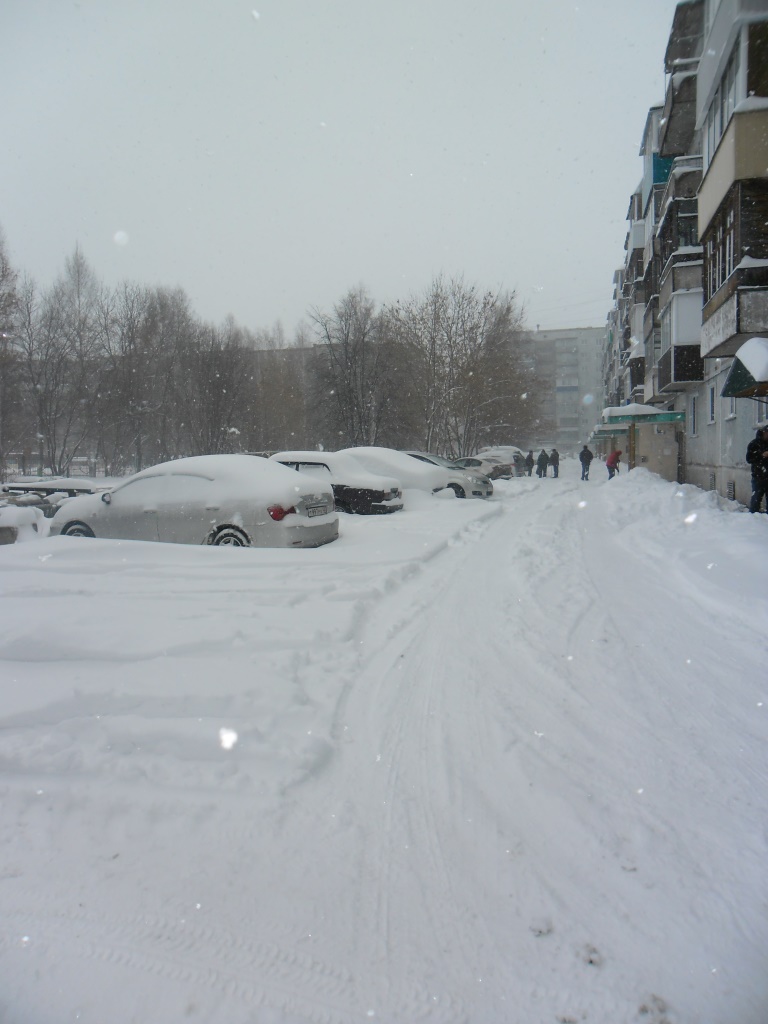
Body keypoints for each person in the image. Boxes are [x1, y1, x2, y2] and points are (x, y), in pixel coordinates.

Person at [746, 423, 768, 513]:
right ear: (764, 433)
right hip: (758, 476)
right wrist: (761, 455)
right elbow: (749, 459)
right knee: (756, 499)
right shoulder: (754, 444)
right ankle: (753, 519)